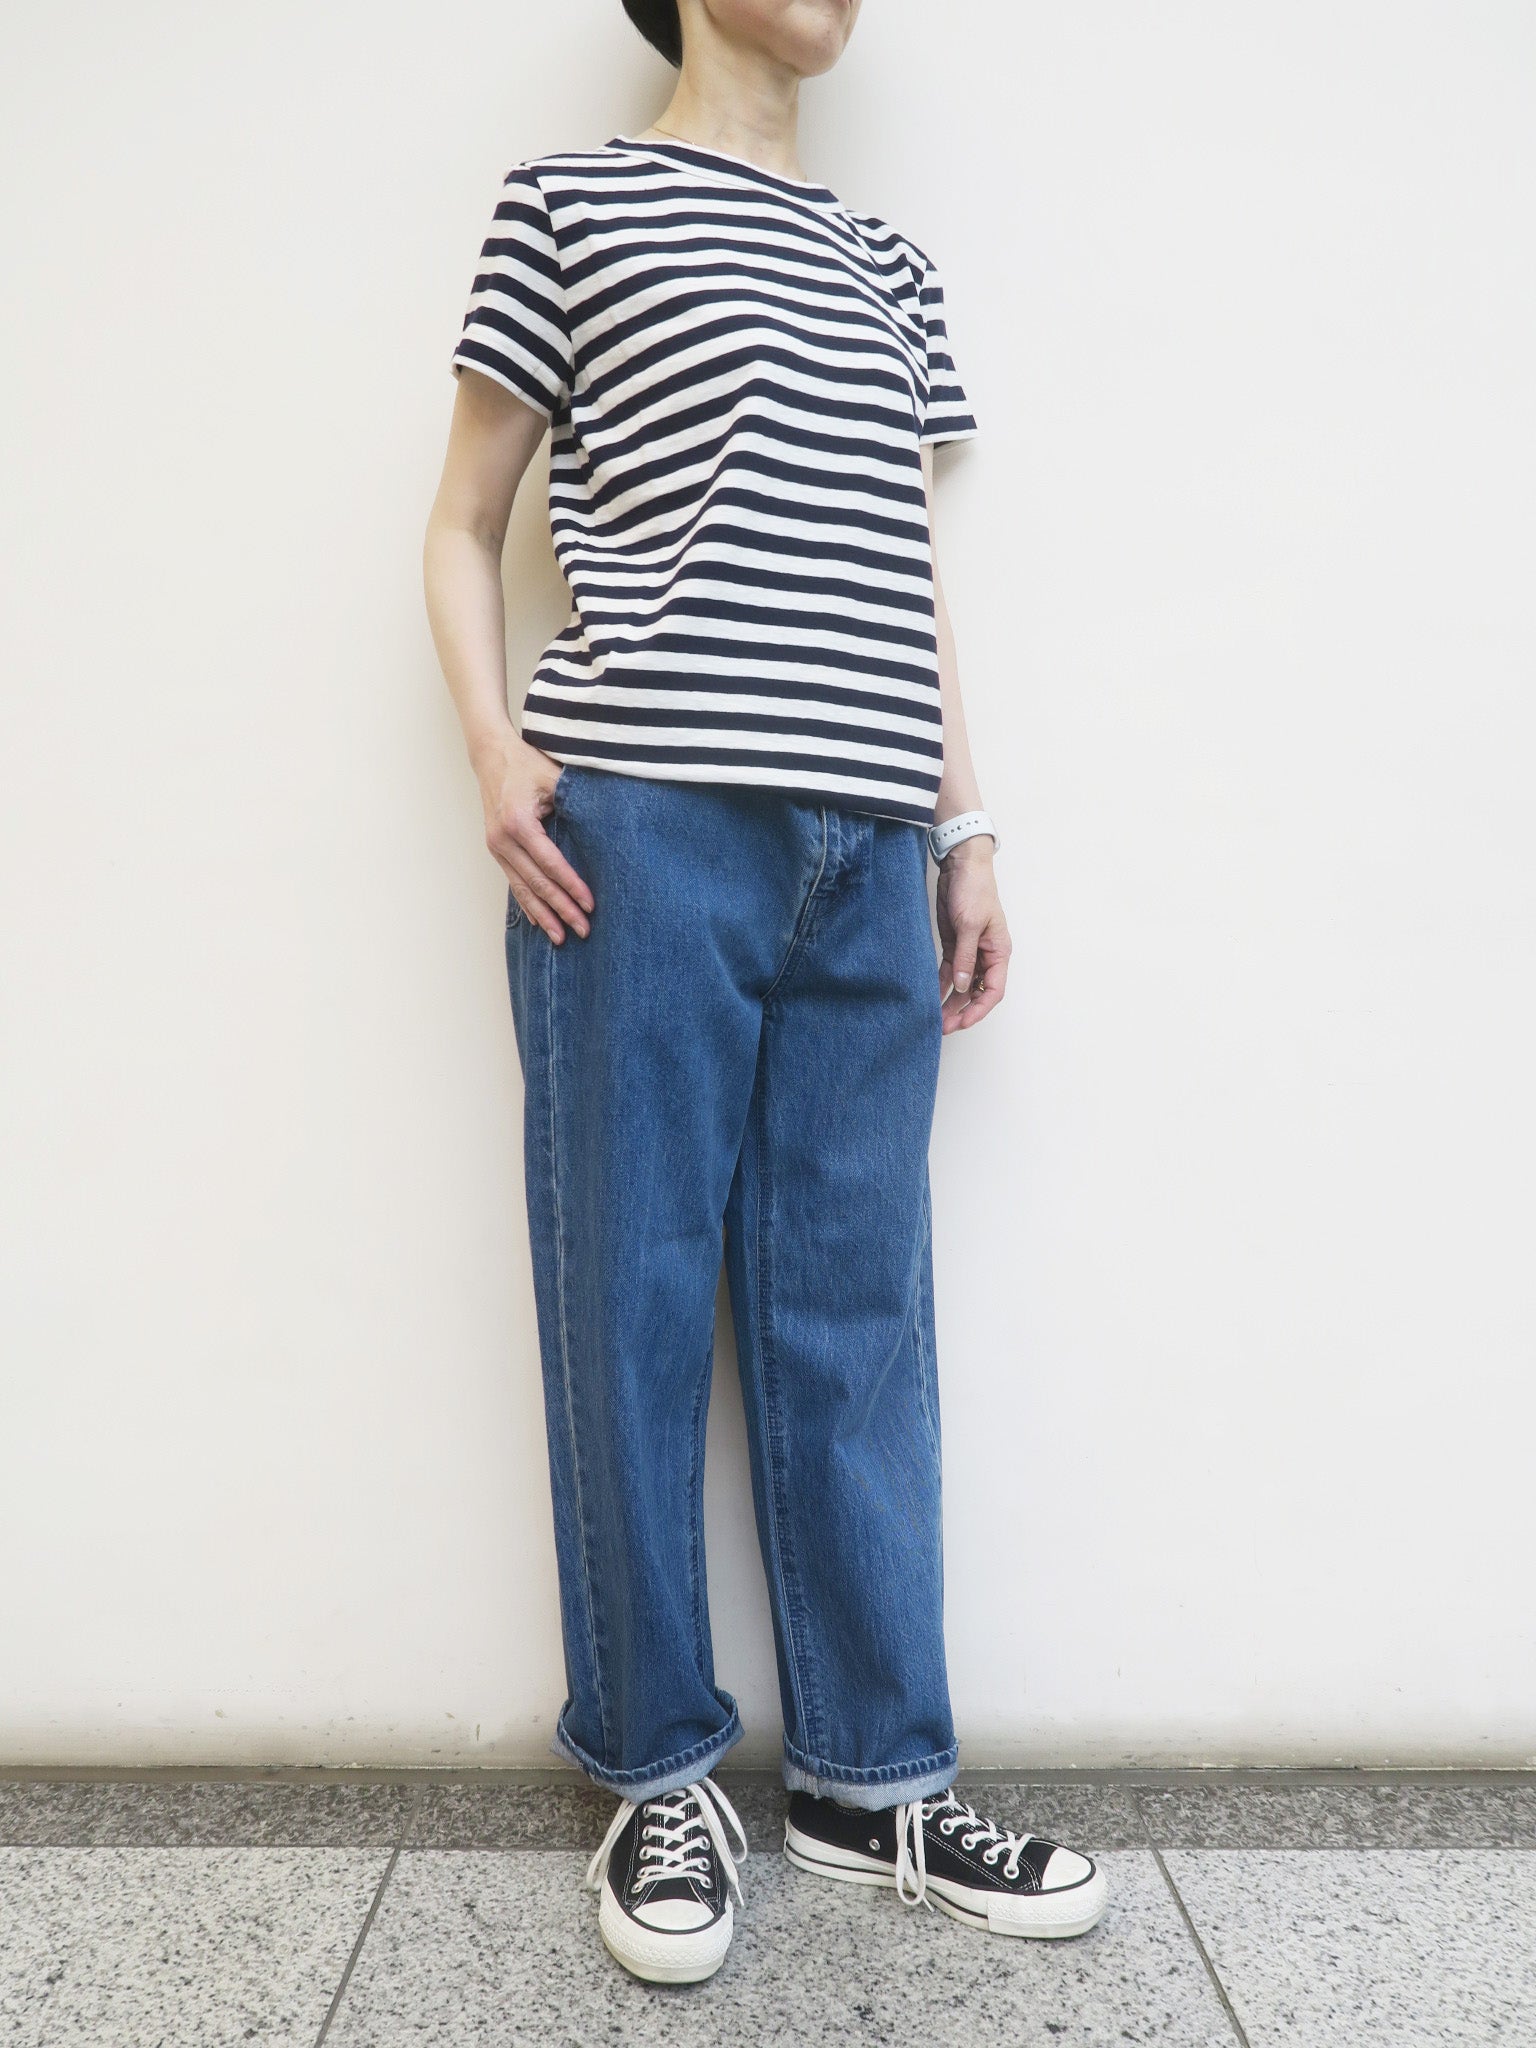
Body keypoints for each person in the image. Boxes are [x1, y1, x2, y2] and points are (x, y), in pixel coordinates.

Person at [422, 0, 1107, 1986]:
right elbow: (462, 521)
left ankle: (876, 1778)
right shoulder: (570, 204)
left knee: (858, 1316)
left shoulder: (887, 259)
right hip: (644, 825)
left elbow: (903, 567)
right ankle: (656, 1771)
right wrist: (496, 748)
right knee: (630, 1294)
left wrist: (968, 827)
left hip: (867, 844)